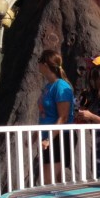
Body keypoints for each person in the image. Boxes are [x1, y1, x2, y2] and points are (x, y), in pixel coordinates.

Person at [37, 49, 76, 182]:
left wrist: (49, 138)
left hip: (59, 137)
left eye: (39, 61)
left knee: (49, 181)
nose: (38, 65)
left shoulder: (61, 86)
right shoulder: (48, 86)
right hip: (48, 137)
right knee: (56, 180)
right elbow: (45, 114)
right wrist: (35, 135)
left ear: (46, 65)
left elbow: (63, 117)